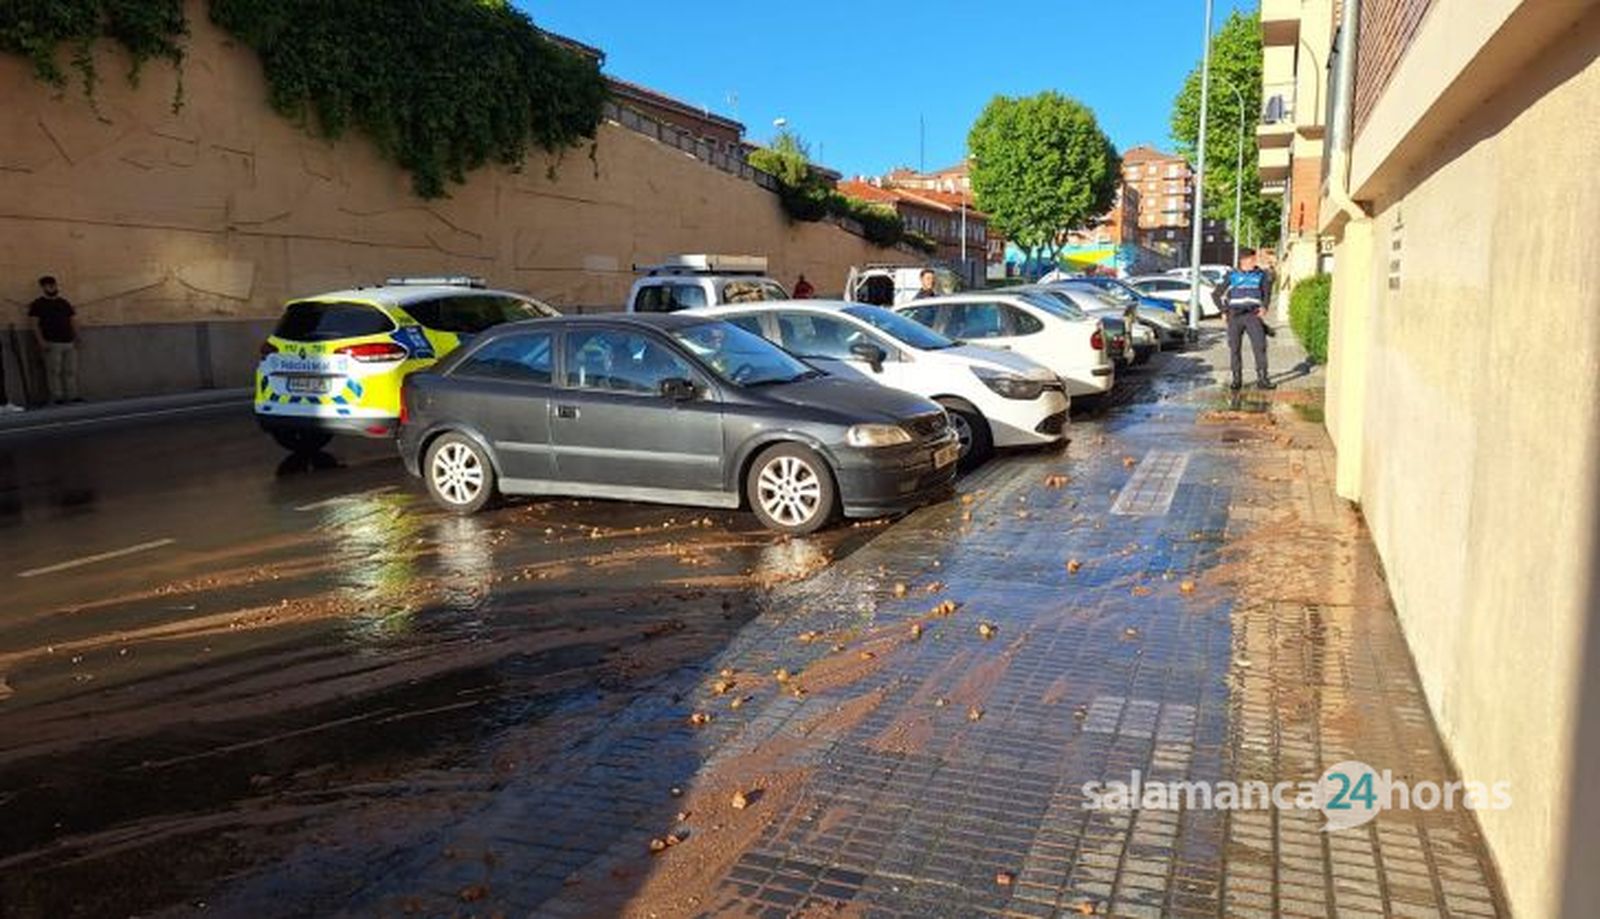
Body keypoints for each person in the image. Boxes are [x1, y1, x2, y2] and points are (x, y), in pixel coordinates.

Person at [1213, 252, 1275, 391]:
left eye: (1255, 258)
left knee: (1260, 347)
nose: (1255, 261)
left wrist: (1265, 306)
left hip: (1253, 315)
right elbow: (1216, 294)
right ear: (1243, 260)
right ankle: (1236, 380)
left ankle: (1263, 379)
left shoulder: (1261, 274)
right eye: (1252, 259)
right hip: (1235, 316)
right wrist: (1223, 310)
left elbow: (1267, 292)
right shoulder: (1232, 275)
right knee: (1235, 349)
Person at [28, 275, 81, 404]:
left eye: (53, 285)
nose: (52, 287)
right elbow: (34, 324)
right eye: (48, 285)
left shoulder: (64, 303)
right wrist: (41, 341)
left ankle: (72, 395)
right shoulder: (37, 304)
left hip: (69, 341)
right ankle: (57, 397)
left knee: (71, 371)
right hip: (51, 342)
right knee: (54, 371)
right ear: (43, 287)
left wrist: (77, 336)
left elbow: (72, 320)